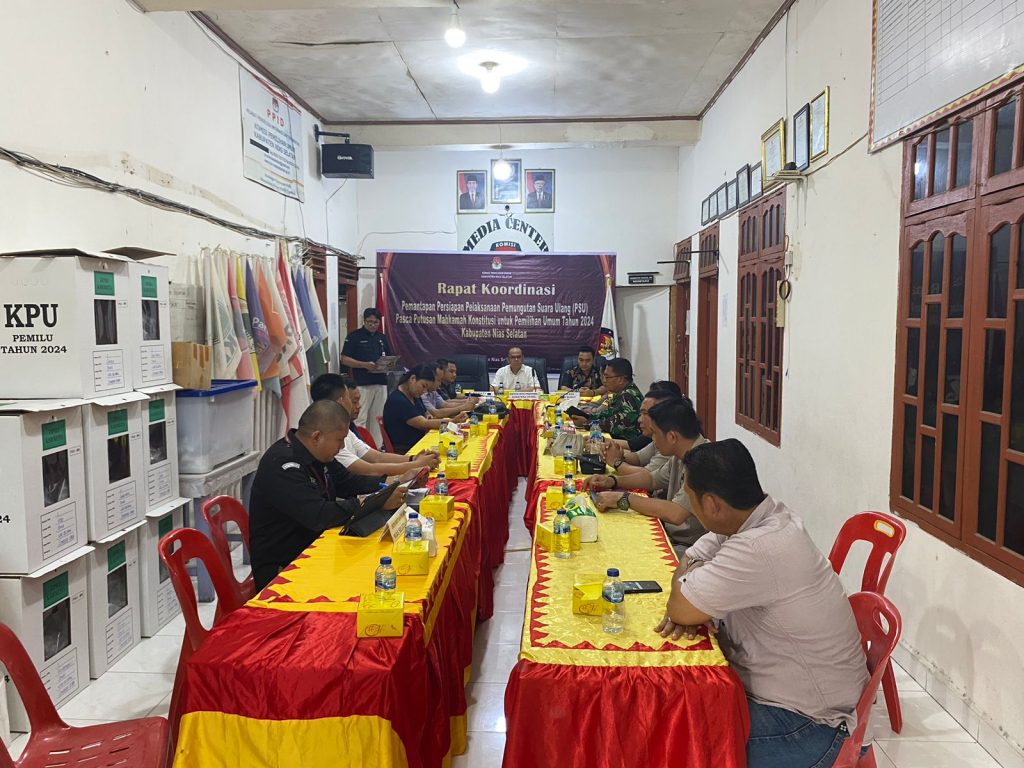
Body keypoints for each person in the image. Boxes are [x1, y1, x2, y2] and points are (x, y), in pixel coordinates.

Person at [657, 439, 868, 768]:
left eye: (691, 498)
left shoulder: (760, 546)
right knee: (683, 709)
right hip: (801, 701)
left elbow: (681, 608)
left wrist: (686, 589)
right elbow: (693, 558)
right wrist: (689, 584)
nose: (692, 509)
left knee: (678, 739)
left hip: (813, 725)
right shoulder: (756, 519)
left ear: (711, 504)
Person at [249, 400, 405, 592]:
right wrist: (370, 503)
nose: (342, 446)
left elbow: (347, 481)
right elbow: (319, 515)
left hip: (318, 547)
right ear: (317, 437)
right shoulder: (283, 465)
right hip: (285, 569)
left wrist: (391, 483)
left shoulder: (317, 454)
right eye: (339, 440)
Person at [591, 397, 707, 554]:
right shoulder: (680, 454)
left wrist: (624, 499)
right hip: (672, 536)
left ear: (672, 437)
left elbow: (676, 513)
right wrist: (612, 481)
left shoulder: (702, 462)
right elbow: (651, 479)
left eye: (655, 434)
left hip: (690, 548)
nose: (652, 439)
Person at [310, 373, 439, 477]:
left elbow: (377, 457)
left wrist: (414, 459)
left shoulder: (347, 431)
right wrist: (416, 464)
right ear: (340, 402)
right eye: (353, 400)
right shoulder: (330, 439)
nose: (359, 406)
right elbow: (369, 470)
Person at [384, 364, 467, 454]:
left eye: (426, 389)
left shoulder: (414, 396)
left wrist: (428, 415)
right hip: (406, 449)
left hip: (420, 441)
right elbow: (424, 423)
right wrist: (453, 421)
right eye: (423, 386)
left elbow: (426, 414)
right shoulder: (398, 400)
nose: (424, 391)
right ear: (412, 378)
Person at [340, 308, 393, 447]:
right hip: (362, 384)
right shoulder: (354, 336)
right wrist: (364, 365)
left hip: (380, 382)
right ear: (363, 321)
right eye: (369, 321)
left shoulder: (382, 338)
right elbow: (344, 359)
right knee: (360, 417)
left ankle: (376, 448)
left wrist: (388, 365)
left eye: (375, 322)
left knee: (377, 419)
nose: (372, 325)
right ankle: (359, 447)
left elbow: (389, 357)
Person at [572, 357, 643, 441]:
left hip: (626, 444)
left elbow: (615, 426)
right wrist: (587, 416)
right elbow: (607, 414)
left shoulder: (629, 396)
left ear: (620, 379)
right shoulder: (620, 393)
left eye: (607, 377)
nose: (604, 381)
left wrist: (586, 422)